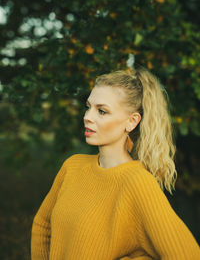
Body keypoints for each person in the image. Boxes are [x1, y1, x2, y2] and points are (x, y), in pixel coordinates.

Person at [31, 68, 200, 260]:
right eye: (89, 107)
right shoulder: (72, 166)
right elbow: (42, 225)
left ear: (131, 122)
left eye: (102, 111)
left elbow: (187, 255)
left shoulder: (138, 182)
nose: (88, 116)